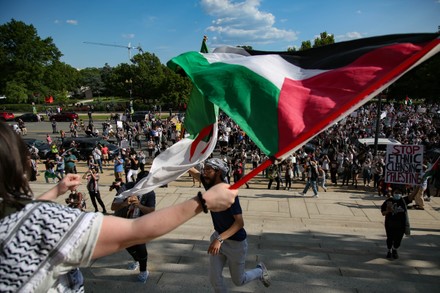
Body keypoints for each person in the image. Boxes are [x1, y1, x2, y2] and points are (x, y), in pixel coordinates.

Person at [0, 121, 238, 292]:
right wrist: (202, 202)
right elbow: (135, 232)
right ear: (18, 166)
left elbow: (21, 214)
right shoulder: (43, 222)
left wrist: (55, 191)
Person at [189, 158, 271, 292]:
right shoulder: (209, 184)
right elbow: (192, 171)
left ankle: (259, 271)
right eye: (204, 169)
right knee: (214, 279)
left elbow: (239, 223)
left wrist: (219, 239)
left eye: (208, 170)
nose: (204, 172)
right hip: (218, 239)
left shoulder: (229, 193)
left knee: (239, 281)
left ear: (219, 172)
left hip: (235, 243)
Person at [111, 171, 155, 283]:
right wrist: (124, 203)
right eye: (140, 183)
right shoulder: (126, 188)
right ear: (136, 181)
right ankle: (137, 260)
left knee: (140, 246)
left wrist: (139, 205)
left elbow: (151, 211)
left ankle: (143, 271)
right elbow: (113, 207)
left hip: (140, 223)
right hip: (125, 222)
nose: (142, 187)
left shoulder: (149, 192)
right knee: (126, 245)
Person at [380, 188, 409, 259]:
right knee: (390, 238)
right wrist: (388, 210)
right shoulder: (388, 201)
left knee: (398, 239)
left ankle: (394, 248)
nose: (397, 194)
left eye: (399, 192)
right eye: (396, 192)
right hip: (390, 223)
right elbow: (383, 213)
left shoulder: (403, 201)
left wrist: (418, 186)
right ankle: (389, 250)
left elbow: (413, 195)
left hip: (401, 224)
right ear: (393, 193)